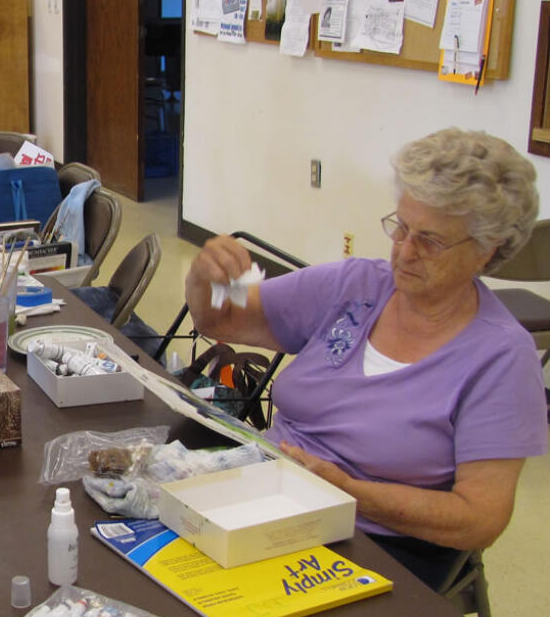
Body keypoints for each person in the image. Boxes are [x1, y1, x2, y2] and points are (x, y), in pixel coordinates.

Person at [184, 128, 546, 588]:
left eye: (431, 241)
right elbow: (223, 321)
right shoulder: (357, 286)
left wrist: (348, 490)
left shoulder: (500, 358)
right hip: (274, 495)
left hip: (379, 545)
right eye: (402, 227)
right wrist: (204, 277)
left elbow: (479, 520)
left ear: (486, 249)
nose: (404, 251)